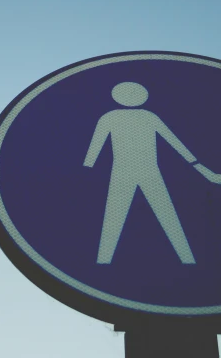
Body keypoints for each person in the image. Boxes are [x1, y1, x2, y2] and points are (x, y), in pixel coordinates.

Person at [84, 82, 197, 264]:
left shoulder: (137, 116)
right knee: (116, 214)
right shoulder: (123, 117)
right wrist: (88, 166)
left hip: (146, 171)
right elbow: (96, 143)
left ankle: (188, 258)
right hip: (128, 171)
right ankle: (103, 260)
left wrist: (192, 160)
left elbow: (170, 138)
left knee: (164, 211)